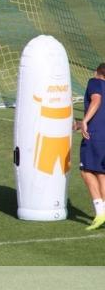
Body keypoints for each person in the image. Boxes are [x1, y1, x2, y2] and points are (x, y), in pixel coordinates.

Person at [75, 63, 105, 230]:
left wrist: (84, 122)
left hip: (95, 136)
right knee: (101, 173)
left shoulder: (94, 82)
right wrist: (80, 124)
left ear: (97, 73)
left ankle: (100, 213)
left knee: (86, 171)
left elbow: (97, 100)